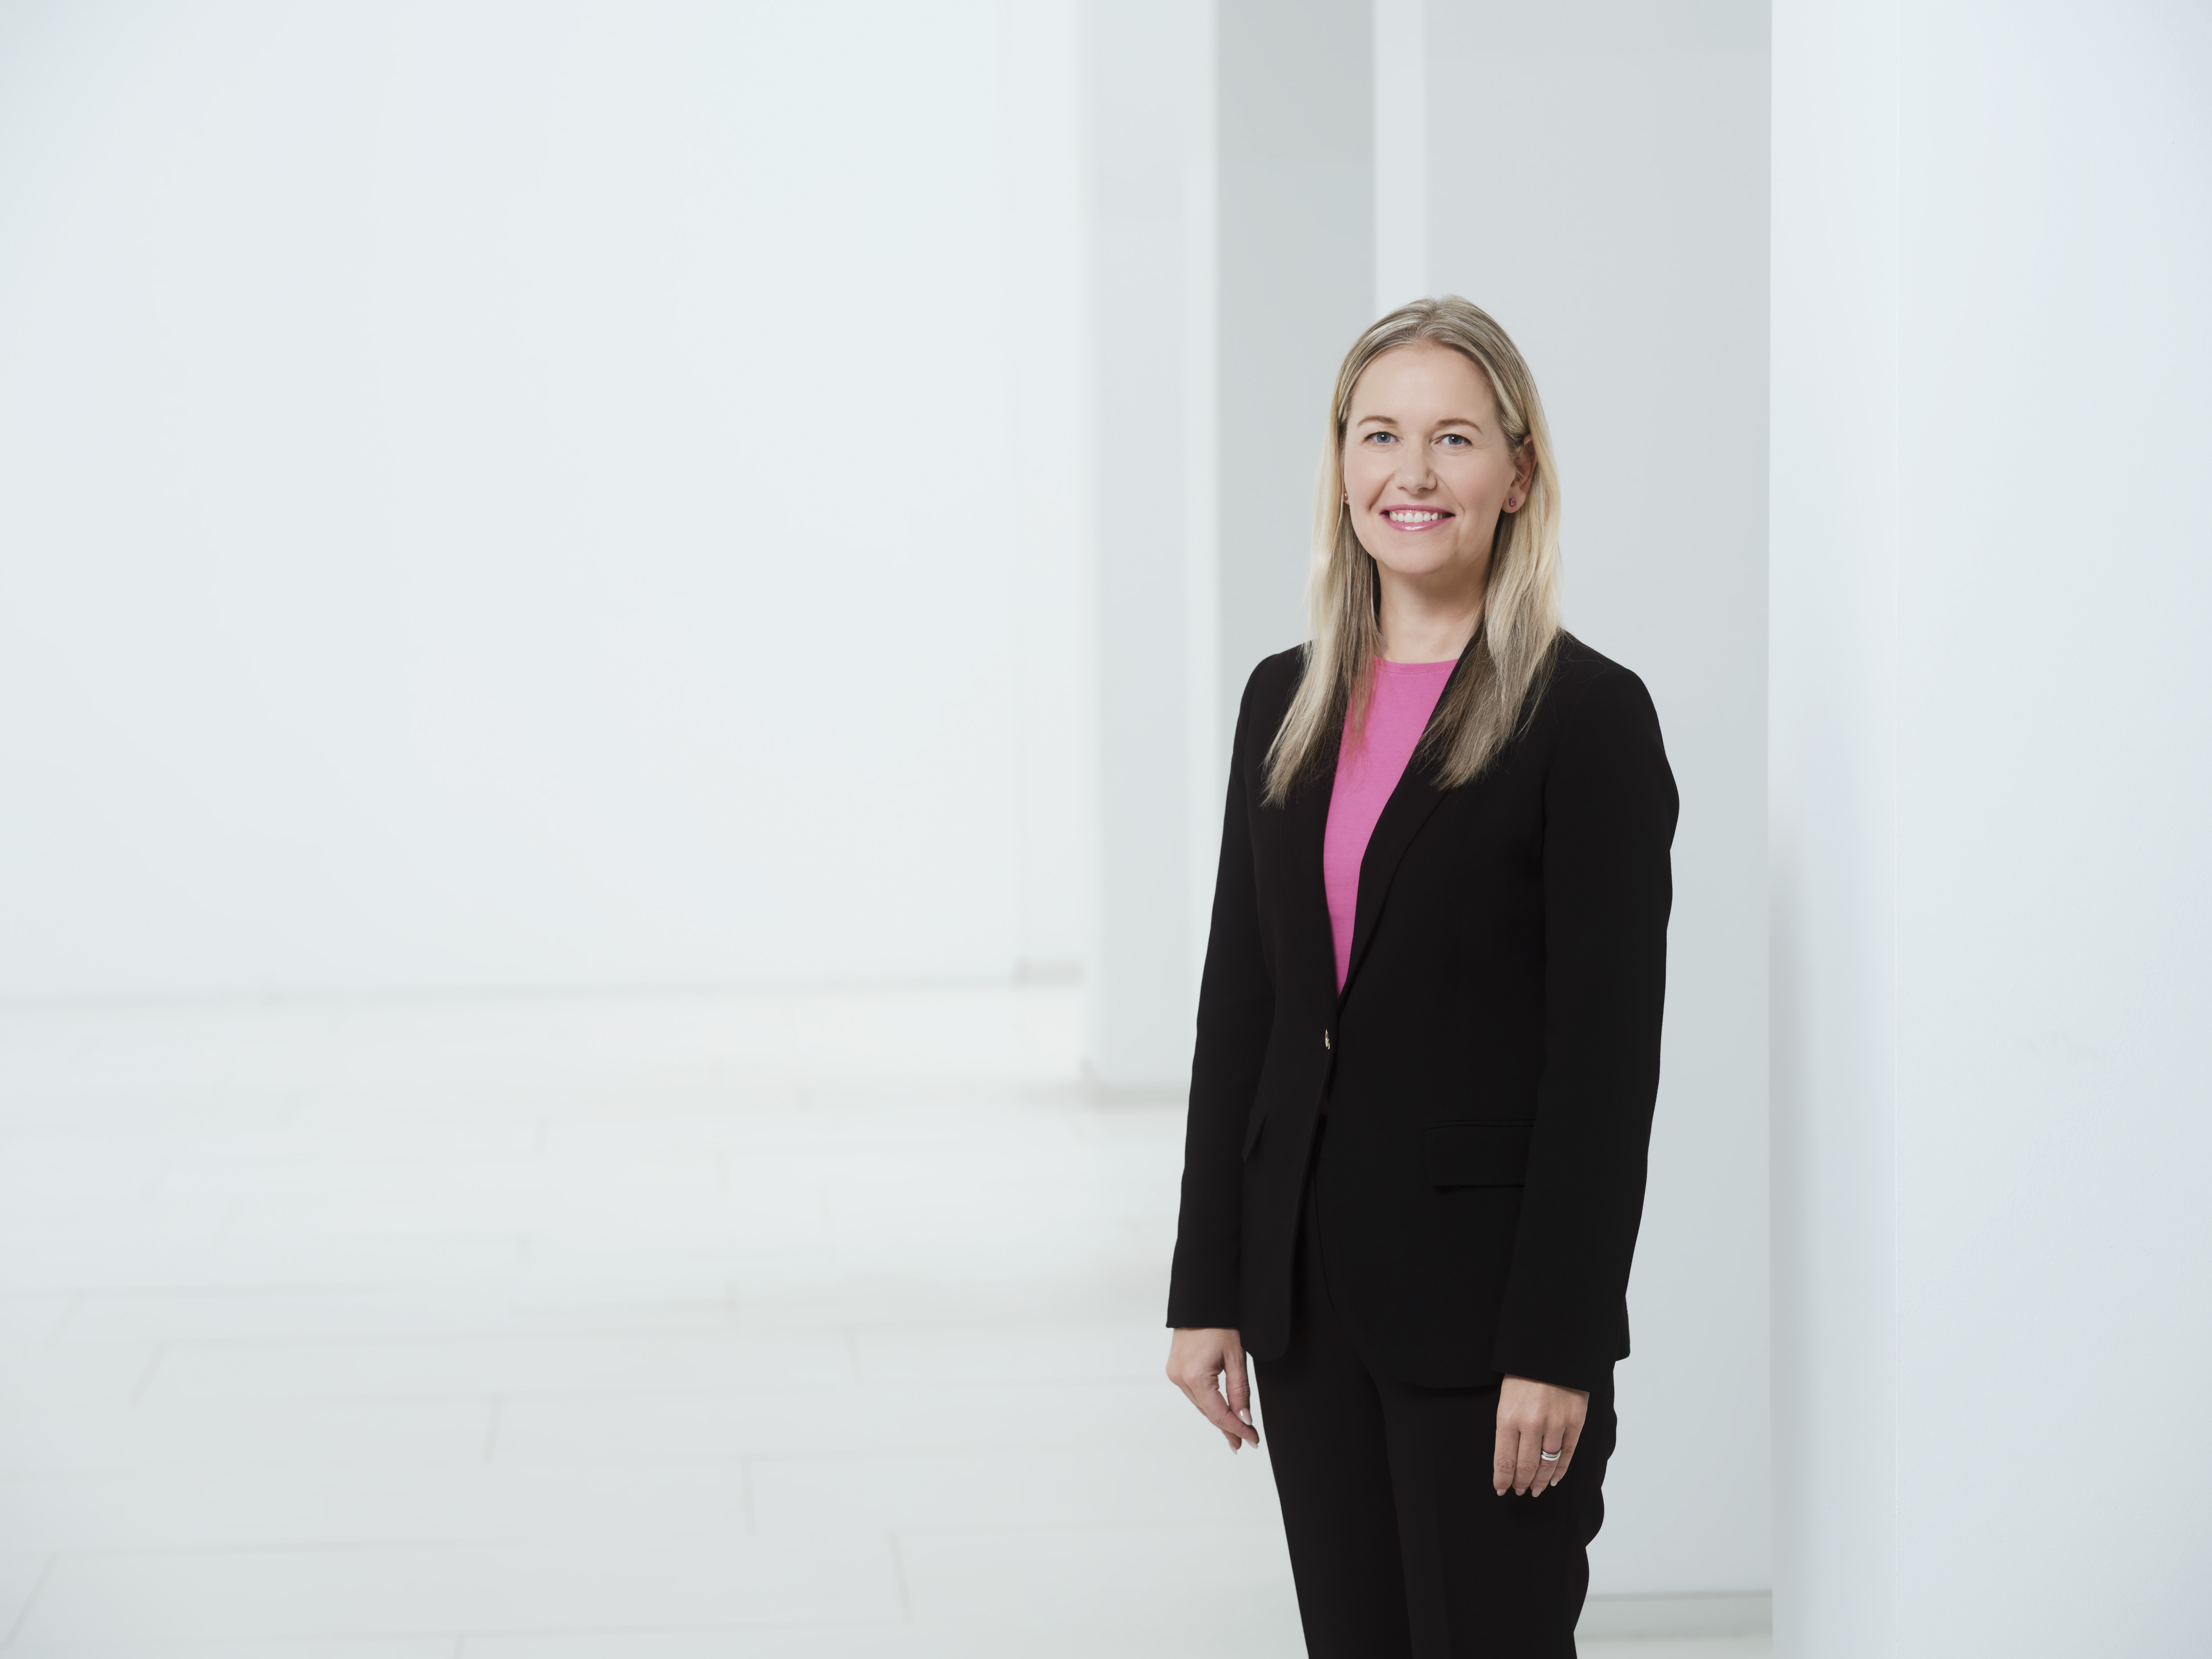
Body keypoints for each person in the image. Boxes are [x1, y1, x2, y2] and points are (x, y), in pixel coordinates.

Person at [1163, 296, 1677, 1657]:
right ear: (1341, 464)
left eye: (1453, 437)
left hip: (1487, 1322)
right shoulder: (1281, 702)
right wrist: (1207, 1282)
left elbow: (1603, 1070)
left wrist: (1556, 1341)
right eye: (1379, 434)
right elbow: (1243, 1007)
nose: (1412, 471)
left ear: (1515, 474)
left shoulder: (1586, 718)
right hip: (1308, 1305)